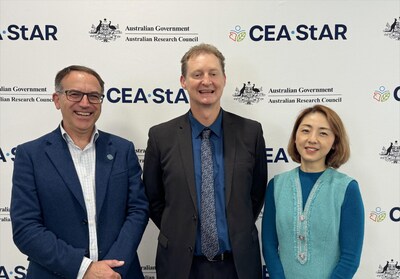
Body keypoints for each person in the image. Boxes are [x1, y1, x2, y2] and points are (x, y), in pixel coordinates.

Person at [10, 65, 149, 279]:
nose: (85, 103)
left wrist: (111, 269)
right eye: (74, 94)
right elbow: (26, 228)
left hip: (119, 274)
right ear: (57, 100)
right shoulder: (30, 155)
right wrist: (84, 268)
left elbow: (138, 210)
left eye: (94, 96)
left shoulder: (123, 149)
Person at [143, 43, 267, 279]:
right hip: (181, 267)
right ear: (183, 81)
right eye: (197, 74)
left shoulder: (250, 133)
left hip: (238, 266)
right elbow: (154, 199)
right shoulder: (161, 136)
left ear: (224, 78)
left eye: (213, 73)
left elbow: (256, 194)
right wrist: (182, 232)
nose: (206, 81)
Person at [262, 105, 364, 279]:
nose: (312, 139)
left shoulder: (347, 188)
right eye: (305, 131)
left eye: (323, 133)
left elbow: (350, 258)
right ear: (295, 137)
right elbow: (269, 245)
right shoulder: (276, 185)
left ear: (334, 142)